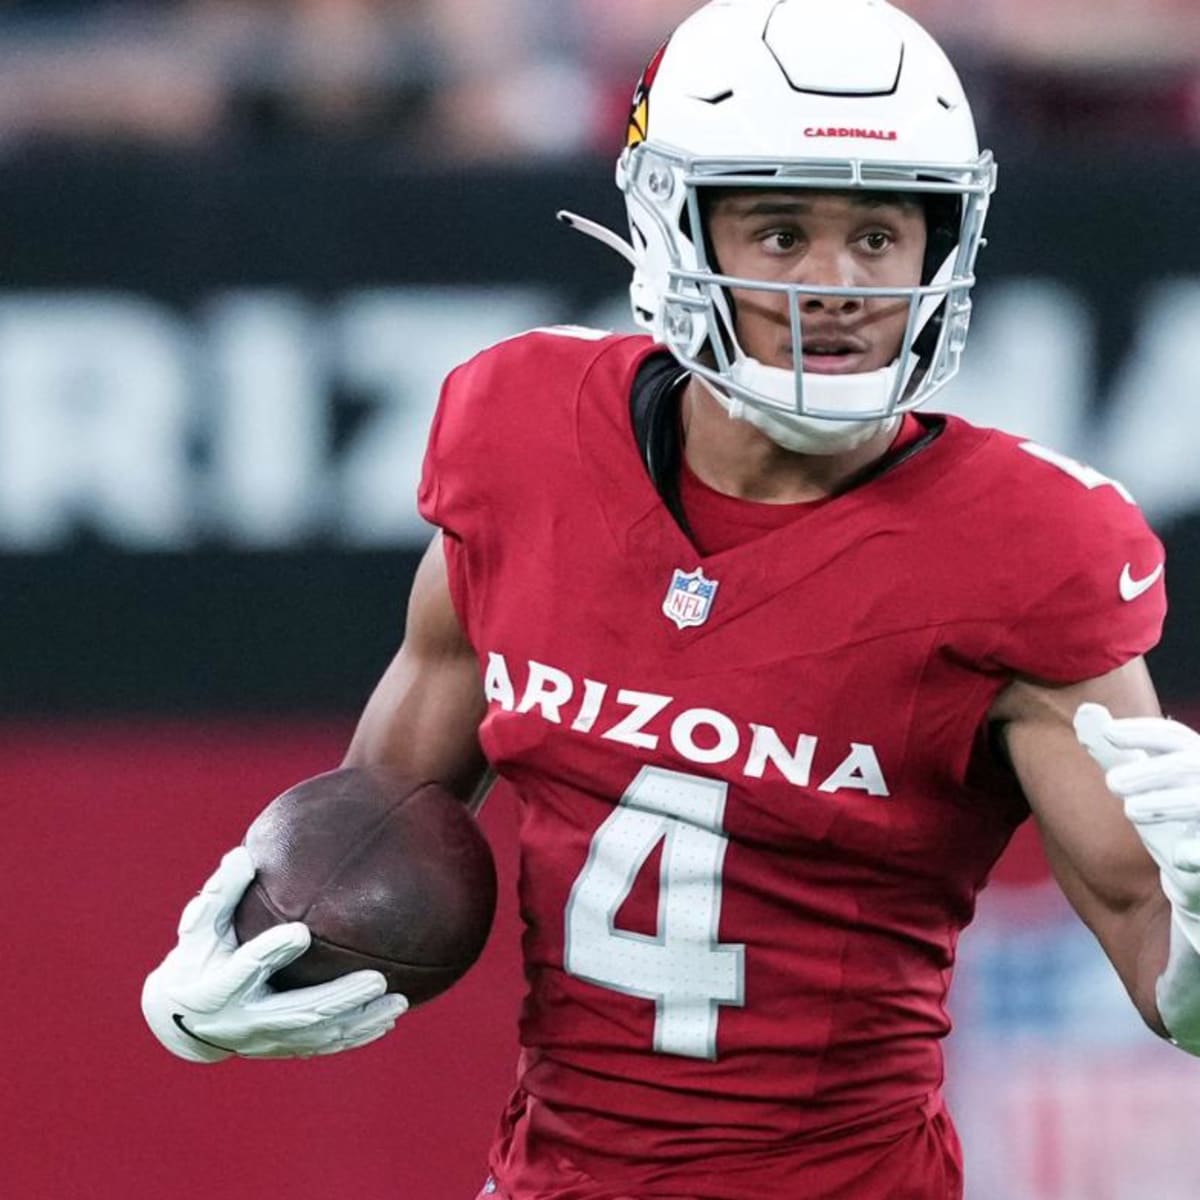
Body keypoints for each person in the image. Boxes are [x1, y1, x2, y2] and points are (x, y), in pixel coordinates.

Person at [141, 1, 1200, 1196]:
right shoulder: (522, 436)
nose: (838, 285)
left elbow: (1165, 970)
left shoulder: (1028, 548)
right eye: (783, 231)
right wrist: (239, 967)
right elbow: (381, 828)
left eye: (878, 235)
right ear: (670, 225)